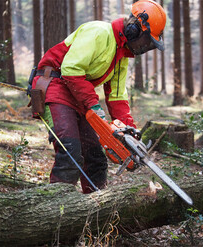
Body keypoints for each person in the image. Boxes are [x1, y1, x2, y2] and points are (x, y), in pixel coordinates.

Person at [31, 0, 167, 193]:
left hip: (77, 94)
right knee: (70, 151)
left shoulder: (122, 55)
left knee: (95, 157)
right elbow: (70, 69)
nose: (144, 48)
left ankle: (95, 211)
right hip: (55, 84)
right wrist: (94, 106)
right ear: (134, 29)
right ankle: (57, 210)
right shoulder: (99, 32)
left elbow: (117, 97)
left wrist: (129, 131)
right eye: (146, 41)